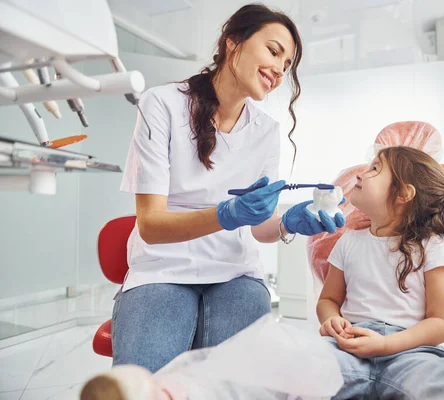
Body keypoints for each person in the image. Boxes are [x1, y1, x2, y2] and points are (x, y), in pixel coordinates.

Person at [113, 3, 345, 373]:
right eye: (273, 51)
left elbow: (259, 227)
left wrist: (289, 223)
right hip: (163, 271)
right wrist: (225, 215)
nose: (279, 71)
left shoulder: (266, 132)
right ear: (233, 42)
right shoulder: (163, 105)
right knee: (142, 383)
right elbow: (151, 226)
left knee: (228, 383)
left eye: (287, 66)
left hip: (235, 275)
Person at [317, 146, 444, 399]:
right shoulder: (348, 241)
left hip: (413, 351)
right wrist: (330, 320)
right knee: (297, 378)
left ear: (403, 194)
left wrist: (386, 344)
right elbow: (328, 300)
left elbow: (442, 322)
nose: (360, 174)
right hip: (348, 345)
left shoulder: (432, 245)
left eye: (375, 169)